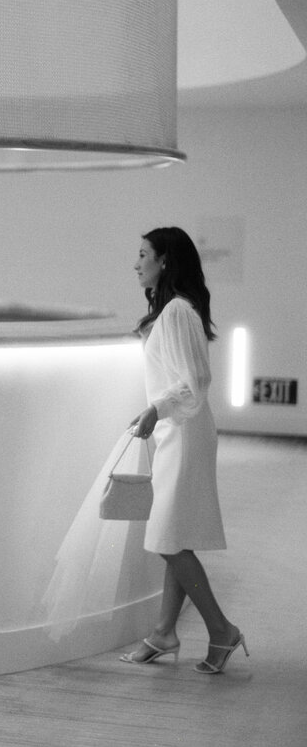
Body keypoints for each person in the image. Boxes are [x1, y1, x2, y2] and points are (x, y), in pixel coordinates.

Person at [120, 226, 247, 674]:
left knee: (168, 540)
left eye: (143, 255)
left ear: (165, 261)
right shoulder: (172, 311)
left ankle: (222, 631)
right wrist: (159, 410)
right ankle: (164, 633)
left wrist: (157, 407)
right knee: (174, 536)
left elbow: (196, 384)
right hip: (178, 433)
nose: (136, 264)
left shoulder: (177, 312)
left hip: (185, 433)